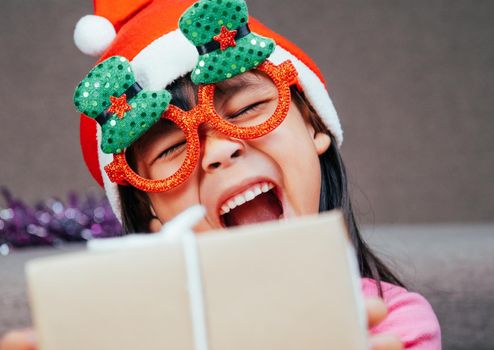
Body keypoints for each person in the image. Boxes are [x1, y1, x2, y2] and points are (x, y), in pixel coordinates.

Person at [1, 0, 440, 349]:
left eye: (249, 108)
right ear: (148, 209)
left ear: (314, 126)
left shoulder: (393, 326)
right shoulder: (134, 338)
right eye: (172, 148)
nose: (219, 151)